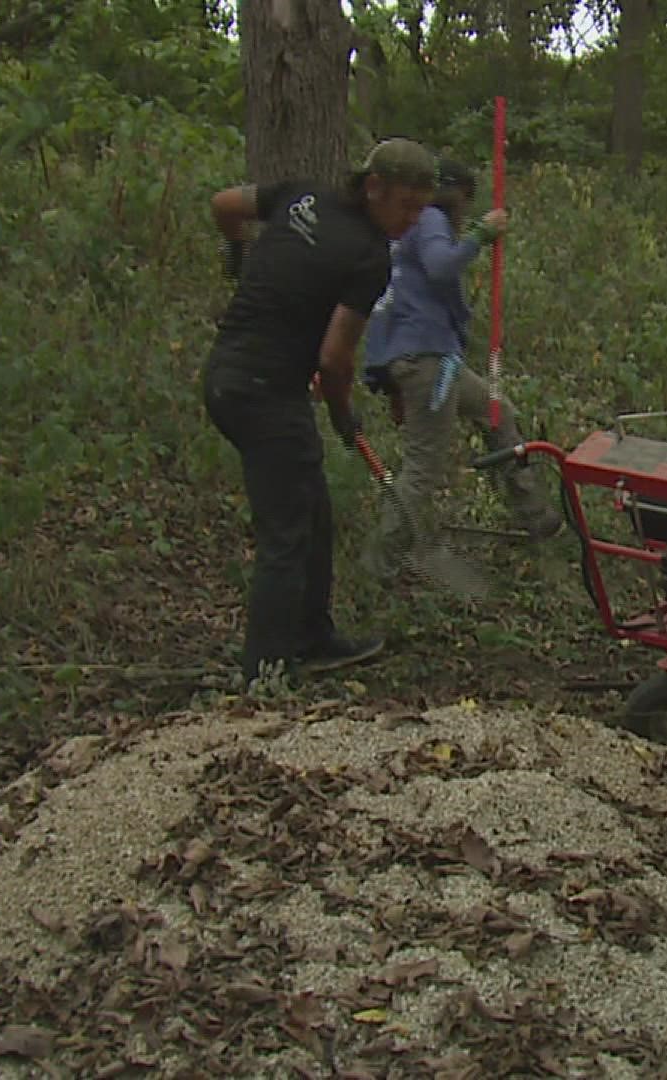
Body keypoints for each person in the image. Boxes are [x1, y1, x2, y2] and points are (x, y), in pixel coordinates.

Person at [201, 138, 440, 685]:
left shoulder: (299, 196)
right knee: (287, 531)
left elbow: (224, 205)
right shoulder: (367, 256)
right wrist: (340, 414)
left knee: (313, 512)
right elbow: (335, 359)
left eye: (419, 211)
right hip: (263, 393)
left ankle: (313, 637)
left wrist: (236, 256)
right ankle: (265, 672)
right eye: (403, 205)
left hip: (229, 376)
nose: (408, 220)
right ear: (373, 187)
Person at [360, 158, 562, 578]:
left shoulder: (400, 231)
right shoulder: (431, 219)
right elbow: (439, 265)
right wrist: (481, 236)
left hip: (431, 359)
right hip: (428, 361)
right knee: (423, 466)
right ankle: (380, 563)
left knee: (496, 411)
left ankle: (536, 515)